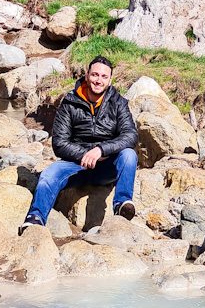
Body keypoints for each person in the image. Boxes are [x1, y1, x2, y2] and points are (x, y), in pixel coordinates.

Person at [19, 55, 138, 234]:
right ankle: (35, 220)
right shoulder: (69, 102)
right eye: (95, 75)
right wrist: (84, 154)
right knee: (48, 174)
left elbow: (130, 136)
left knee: (129, 155)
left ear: (110, 79)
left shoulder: (118, 103)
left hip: (107, 166)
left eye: (104, 77)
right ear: (87, 75)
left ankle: (122, 204)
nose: (99, 80)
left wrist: (100, 150)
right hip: (75, 166)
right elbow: (59, 143)